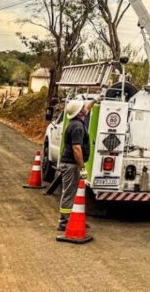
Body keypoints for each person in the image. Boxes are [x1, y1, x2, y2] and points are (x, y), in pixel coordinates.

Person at [58, 98, 96, 231]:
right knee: (69, 194)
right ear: (79, 113)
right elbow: (76, 149)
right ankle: (64, 222)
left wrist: (95, 100)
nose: (85, 110)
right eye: (82, 109)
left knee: (74, 193)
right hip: (72, 165)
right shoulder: (77, 127)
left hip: (71, 164)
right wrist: (82, 168)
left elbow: (87, 108)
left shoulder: (76, 122)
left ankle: (73, 220)